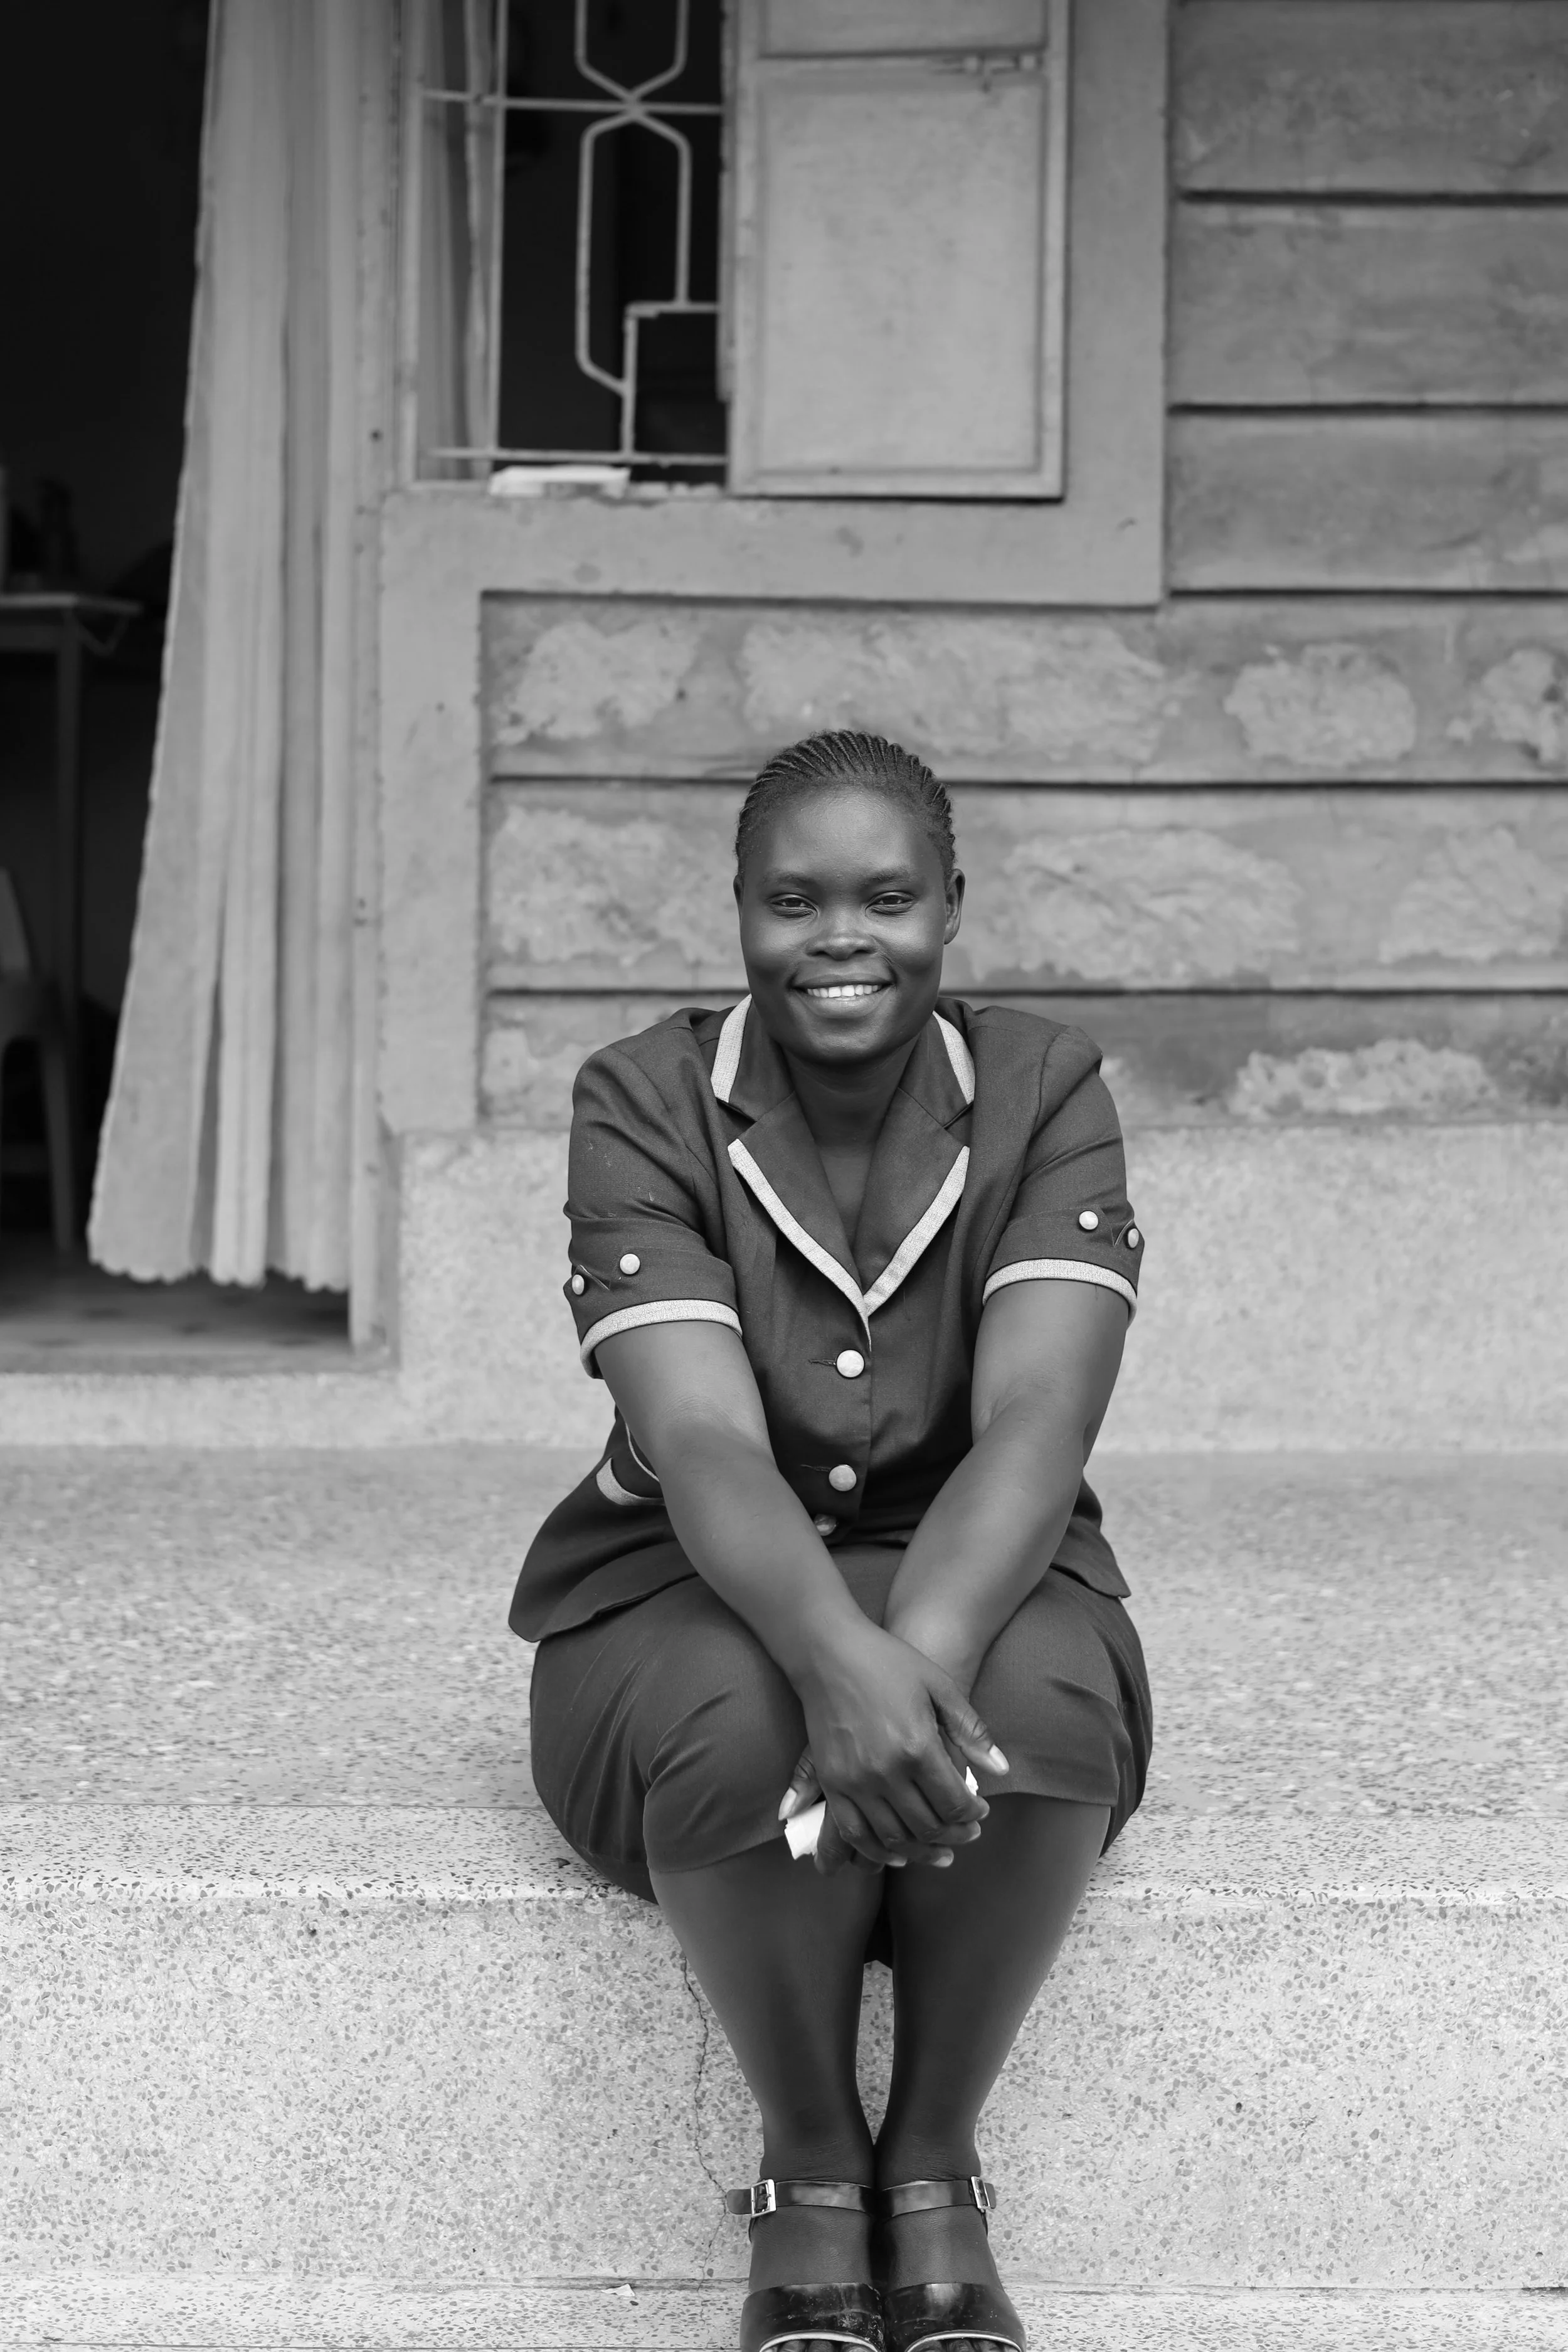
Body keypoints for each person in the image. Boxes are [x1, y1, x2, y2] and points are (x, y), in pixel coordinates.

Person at [512, 733, 1152, 2352]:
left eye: (885, 895)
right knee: (737, 1719)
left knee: (1049, 1707)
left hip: (980, 1558)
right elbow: (704, 1434)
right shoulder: (642, 1096)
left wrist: (911, 1668)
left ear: (951, 904)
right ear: (736, 910)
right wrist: (832, 1662)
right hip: (673, 1584)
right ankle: (809, 2167)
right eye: (792, 900)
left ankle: (929, 2165)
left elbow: (1033, 1427)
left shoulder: (1046, 1088)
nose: (840, 937)